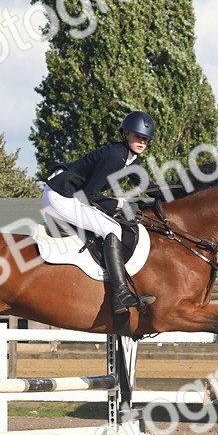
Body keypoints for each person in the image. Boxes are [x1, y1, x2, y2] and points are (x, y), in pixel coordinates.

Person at [42, 110, 156, 314]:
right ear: (126, 134)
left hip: (71, 194)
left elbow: (150, 187)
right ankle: (120, 293)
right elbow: (88, 195)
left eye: (146, 139)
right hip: (60, 195)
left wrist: (181, 192)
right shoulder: (115, 156)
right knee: (111, 228)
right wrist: (120, 205)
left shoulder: (132, 159)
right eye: (138, 136)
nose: (142, 142)